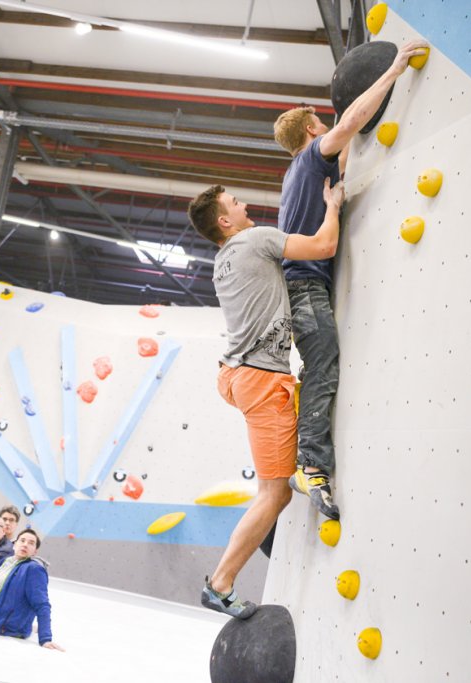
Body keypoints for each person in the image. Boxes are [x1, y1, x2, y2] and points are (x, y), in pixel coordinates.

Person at [273, 41, 428, 521]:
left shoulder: (297, 174)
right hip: (305, 288)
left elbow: (342, 158)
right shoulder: (310, 157)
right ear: (310, 129)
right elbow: (352, 123)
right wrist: (394, 71)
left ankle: (307, 459)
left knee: (317, 368)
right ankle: (311, 466)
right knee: (322, 369)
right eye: (320, 121)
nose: (326, 124)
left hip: (300, 289)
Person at [187, 174, 345, 618]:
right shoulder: (256, 239)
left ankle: (223, 580)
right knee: (275, 494)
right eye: (235, 202)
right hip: (260, 380)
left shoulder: (223, 260)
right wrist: (332, 204)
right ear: (225, 220)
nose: (243, 205)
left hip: (235, 374)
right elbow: (324, 246)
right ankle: (220, 584)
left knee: (272, 486)